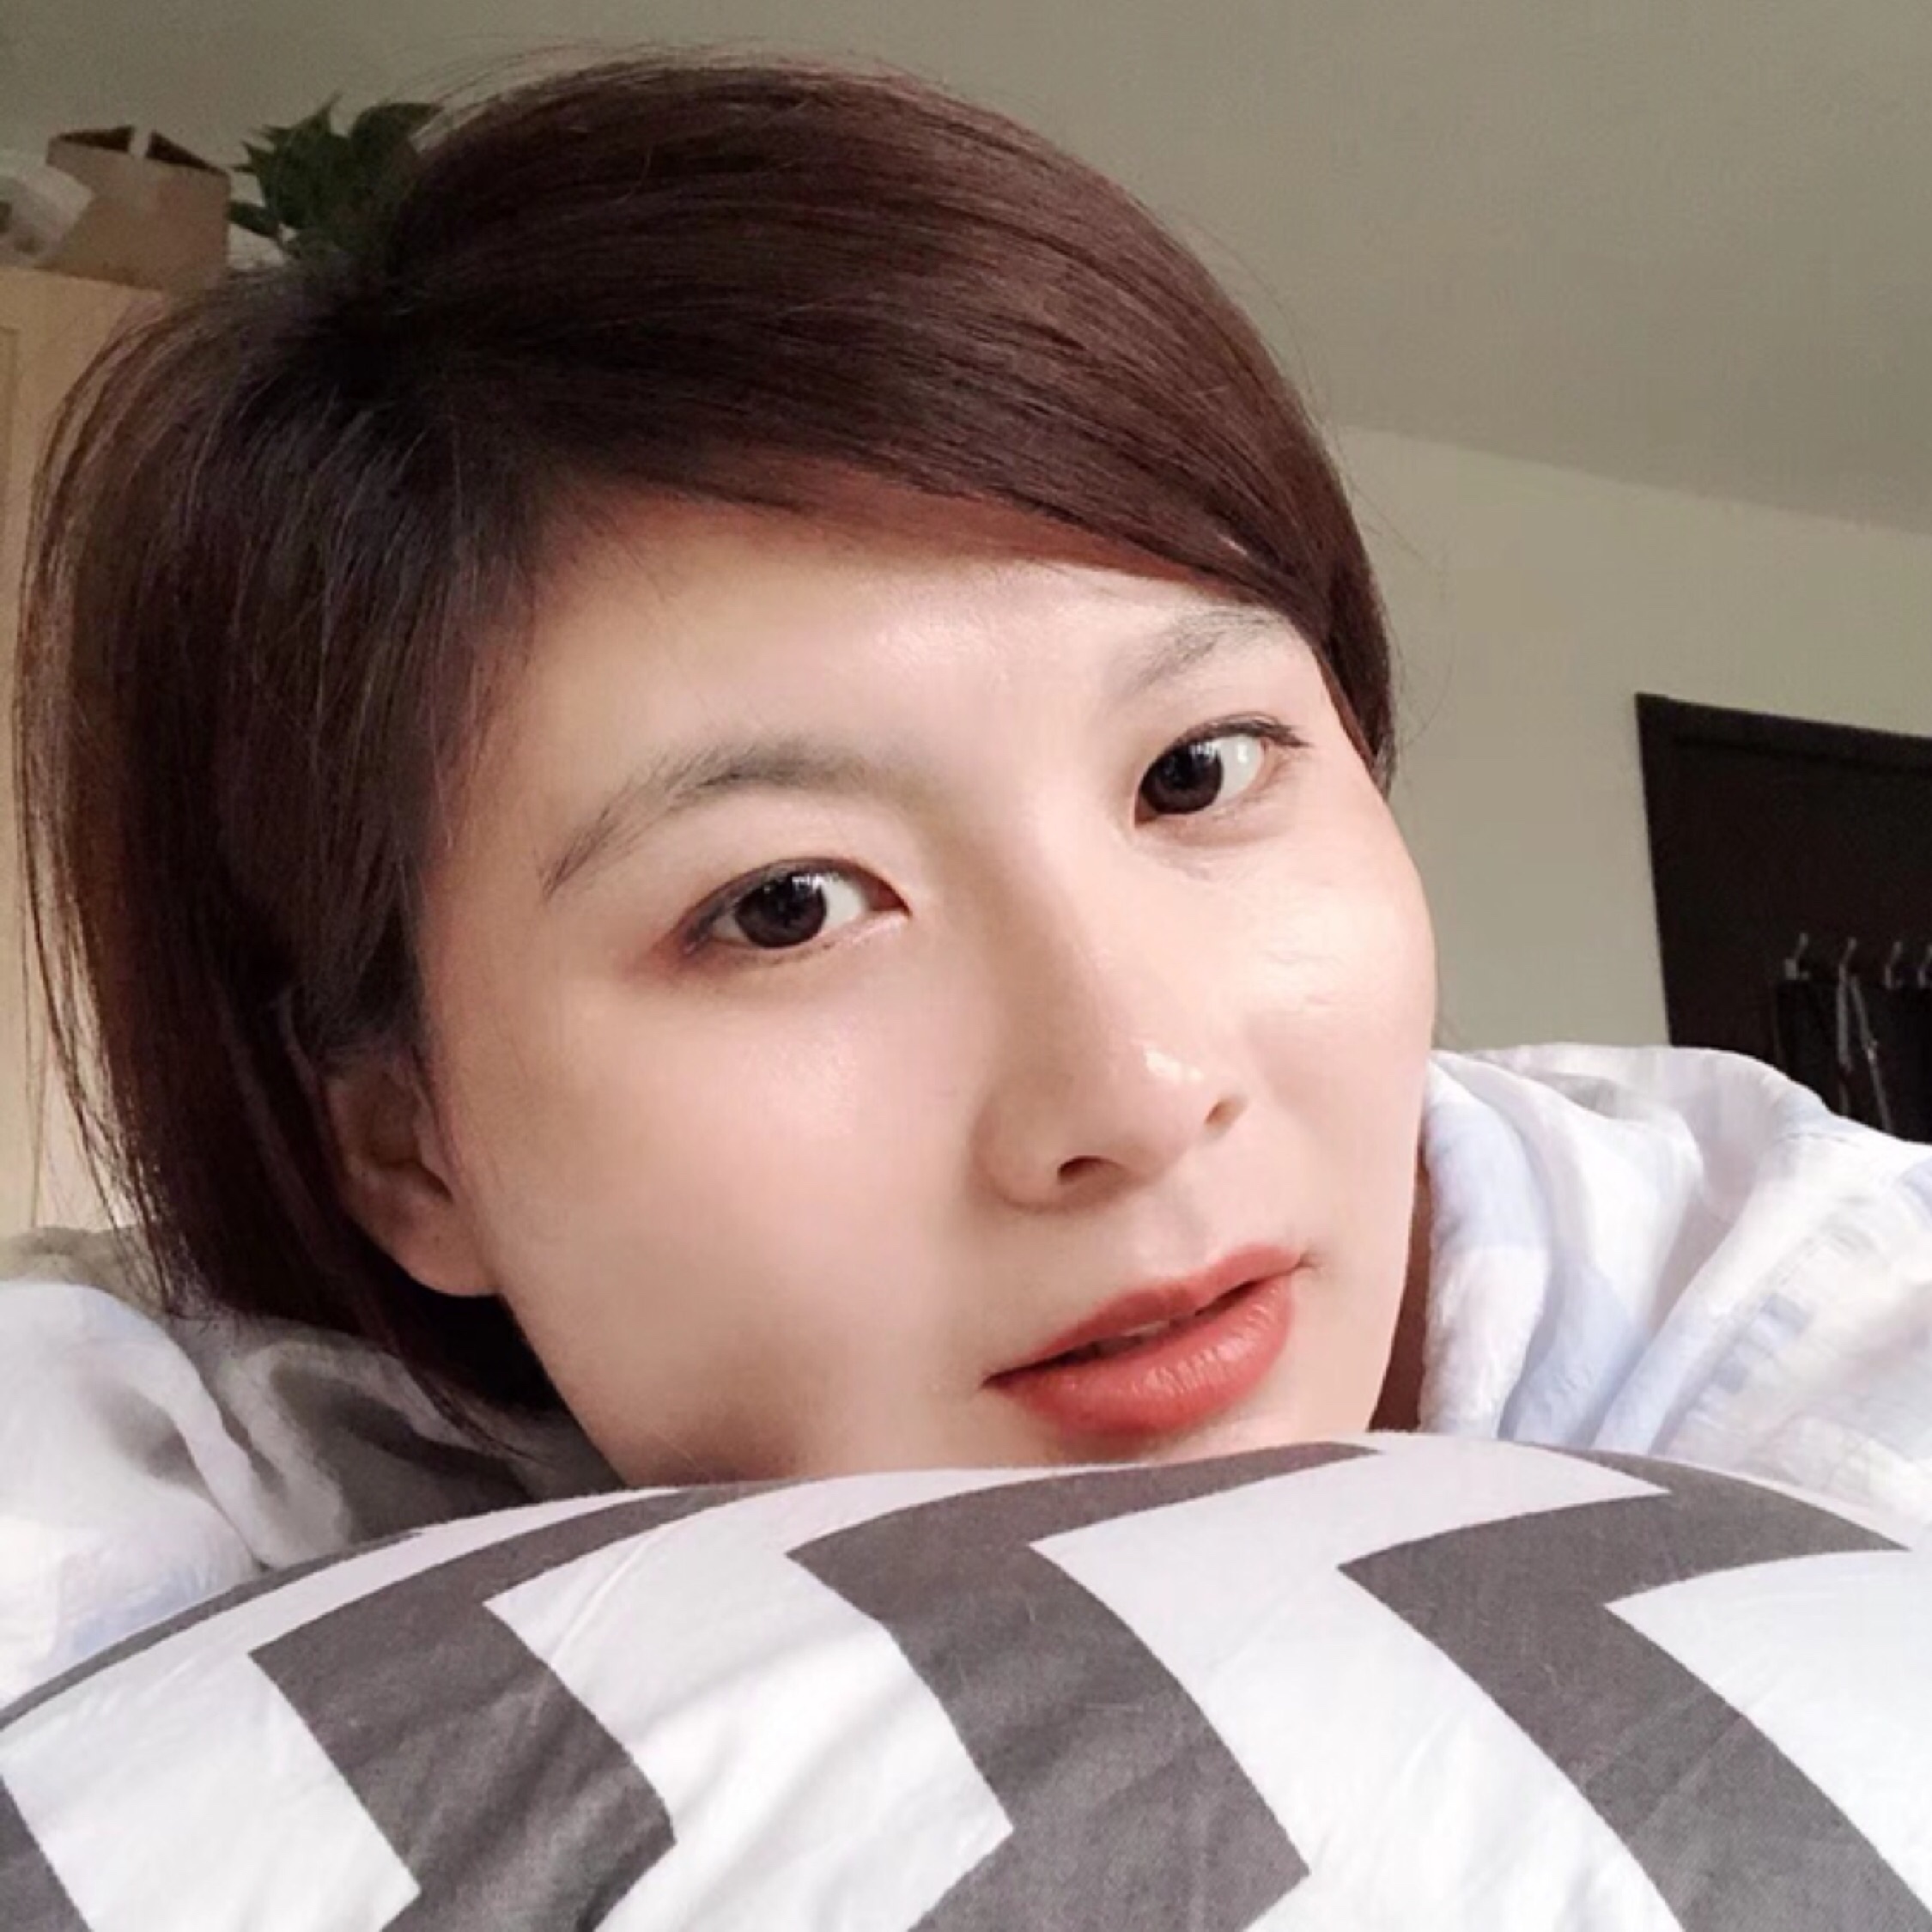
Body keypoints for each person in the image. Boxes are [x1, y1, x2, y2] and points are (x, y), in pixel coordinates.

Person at [4, 52, 1929, 1705]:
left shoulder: (1810, 1331)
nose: (1137, 1095)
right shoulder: (200, 1464)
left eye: (1193, 772)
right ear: (409, 1148)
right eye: (782, 905)